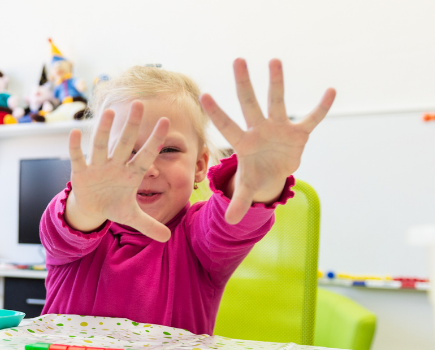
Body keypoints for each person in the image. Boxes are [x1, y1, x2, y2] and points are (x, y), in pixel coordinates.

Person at [40, 60, 335, 334]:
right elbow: (67, 226)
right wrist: (88, 204)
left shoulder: (199, 238)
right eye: (125, 150)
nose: (148, 168)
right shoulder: (77, 227)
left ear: (199, 166)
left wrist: (258, 177)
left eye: (168, 150)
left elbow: (232, 220)